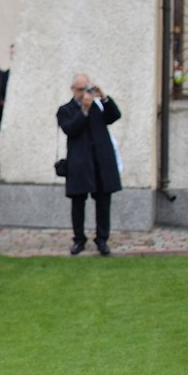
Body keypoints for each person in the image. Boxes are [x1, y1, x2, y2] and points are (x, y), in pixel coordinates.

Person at [57, 74, 122, 256]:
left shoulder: (98, 106)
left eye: (87, 89)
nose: (84, 93)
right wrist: (83, 111)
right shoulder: (66, 109)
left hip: (101, 161)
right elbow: (70, 128)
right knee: (78, 203)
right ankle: (79, 239)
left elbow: (114, 116)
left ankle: (102, 239)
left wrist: (104, 97)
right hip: (79, 162)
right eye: (80, 89)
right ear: (73, 89)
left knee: (103, 202)